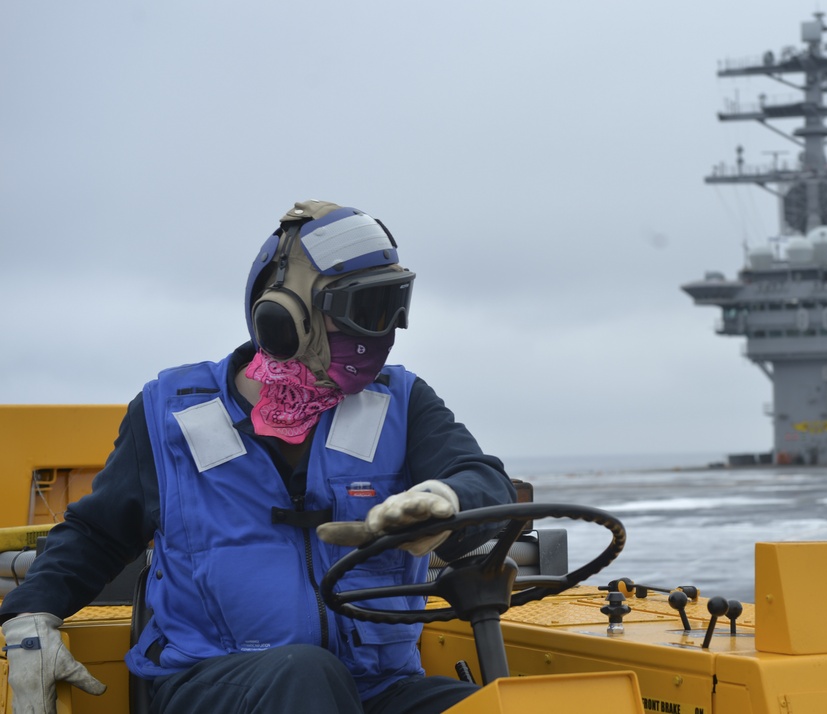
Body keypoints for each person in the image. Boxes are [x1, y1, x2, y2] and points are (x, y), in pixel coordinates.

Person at [0, 200, 516, 714]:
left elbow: (483, 480)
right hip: (211, 684)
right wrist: (28, 618)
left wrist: (447, 499)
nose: (383, 332)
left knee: (493, 708)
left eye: (392, 307)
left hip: (376, 687)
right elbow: (97, 534)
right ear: (283, 316)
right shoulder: (169, 415)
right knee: (306, 675)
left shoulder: (399, 402)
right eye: (364, 310)